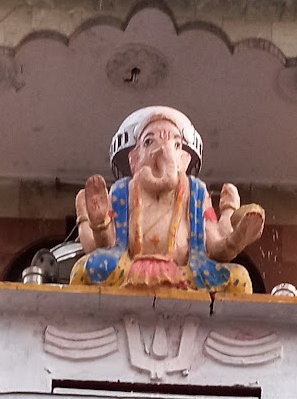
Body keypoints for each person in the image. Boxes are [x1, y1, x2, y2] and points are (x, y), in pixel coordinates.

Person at [71, 106, 264, 296]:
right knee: (81, 271)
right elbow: (105, 246)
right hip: (127, 270)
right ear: (134, 159)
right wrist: (100, 223)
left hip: (185, 274)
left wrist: (237, 240)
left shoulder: (197, 193)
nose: (162, 150)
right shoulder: (121, 192)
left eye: (176, 145)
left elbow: (215, 248)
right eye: (149, 142)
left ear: (184, 160)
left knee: (240, 278)